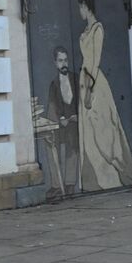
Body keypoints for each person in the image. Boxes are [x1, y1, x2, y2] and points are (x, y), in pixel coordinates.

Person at [75, 0, 132, 190]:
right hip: (84, 81)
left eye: (80, 6)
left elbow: (94, 61)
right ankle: (94, 181)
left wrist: (89, 90)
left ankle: (115, 172)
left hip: (93, 83)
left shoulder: (97, 29)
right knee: (89, 134)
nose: (79, 10)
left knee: (102, 130)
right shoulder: (85, 31)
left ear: (85, 5)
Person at [45, 46, 81, 196]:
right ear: (55, 63)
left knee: (73, 146)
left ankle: (70, 184)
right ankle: (56, 185)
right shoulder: (54, 84)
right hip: (60, 124)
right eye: (60, 61)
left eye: (66, 60)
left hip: (74, 122)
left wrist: (78, 116)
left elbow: (83, 100)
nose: (64, 64)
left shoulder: (76, 79)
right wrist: (60, 119)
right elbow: (52, 104)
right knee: (50, 144)